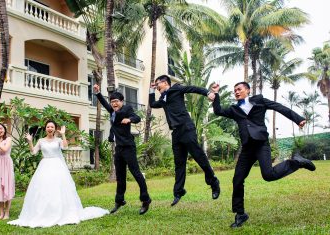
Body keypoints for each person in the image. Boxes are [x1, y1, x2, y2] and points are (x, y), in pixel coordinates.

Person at [211, 82, 316, 228]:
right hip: (247, 148)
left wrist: (298, 118)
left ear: (247, 90)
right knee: (237, 180)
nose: (236, 92)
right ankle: (240, 214)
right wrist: (215, 94)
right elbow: (218, 111)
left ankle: (297, 162)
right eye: (234, 90)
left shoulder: (259, 101)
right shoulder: (234, 109)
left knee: (268, 175)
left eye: (239, 89)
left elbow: (278, 107)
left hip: (261, 144)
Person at [8, 120, 108, 228]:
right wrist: (30, 141)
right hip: (44, 166)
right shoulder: (41, 140)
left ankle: (62, 212)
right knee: (43, 189)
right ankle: (44, 213)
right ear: (45, 128)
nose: (49, 128)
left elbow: (65, 147)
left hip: (57, 166)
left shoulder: (58, 140)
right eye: (48, 127)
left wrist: (64, 134)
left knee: (59, 188)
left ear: (55, 128)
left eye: (52, 127)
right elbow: (33, 152)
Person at [149, 75, 220, 206]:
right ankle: (178, 191)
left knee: (199, 156)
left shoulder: (176, 89)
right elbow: (152, 104)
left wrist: (208, 92)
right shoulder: (163, 98)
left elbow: (192, 88)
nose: (157, 86)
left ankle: (214, 182)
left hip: (186, 128)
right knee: (179, 163)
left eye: (157, 84)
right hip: (176, 132)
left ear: (165, 83)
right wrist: (151, 90)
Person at [94, 84, 152, 215]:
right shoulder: (113, 112)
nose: (114, 104)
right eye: (112, 102)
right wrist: (97, 93)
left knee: (136, 173)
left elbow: (137, 118)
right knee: (120, 176)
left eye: (116, 101)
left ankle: (146, 199)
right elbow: (104, 103)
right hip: (119, 149)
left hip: (128, 147)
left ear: (121, 102)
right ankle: (119, 200)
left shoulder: (126, 109)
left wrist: (129, 119)